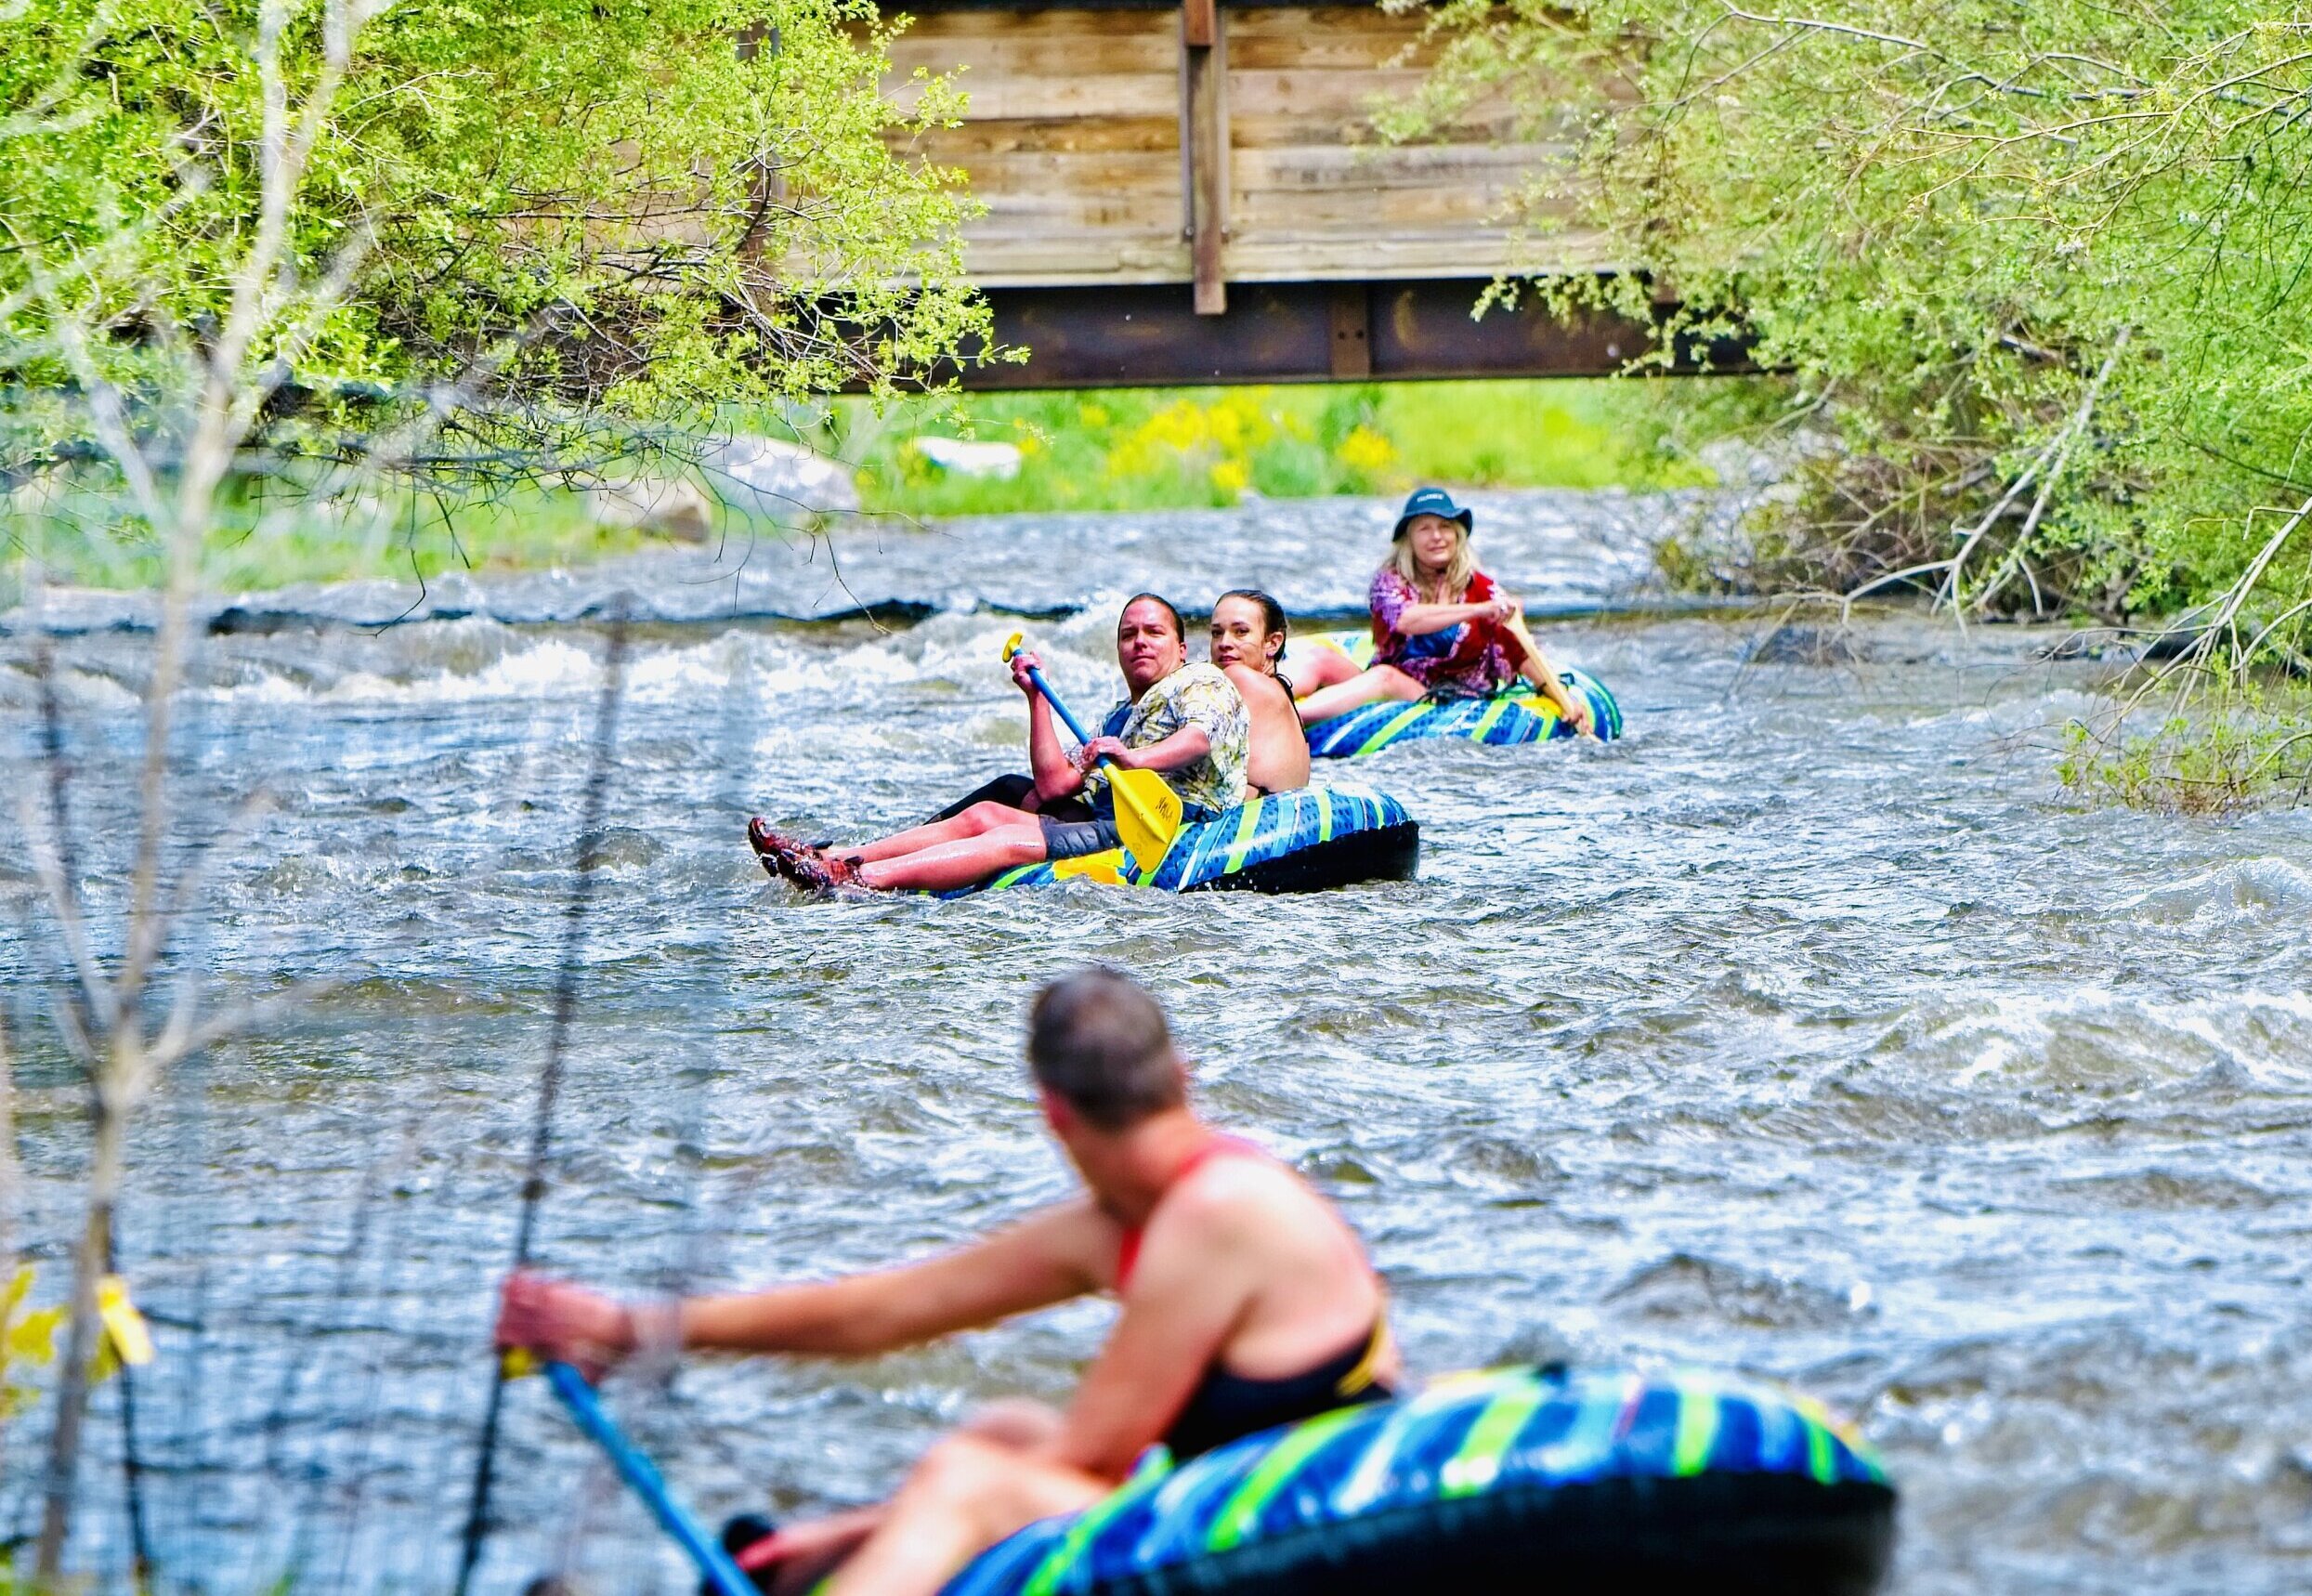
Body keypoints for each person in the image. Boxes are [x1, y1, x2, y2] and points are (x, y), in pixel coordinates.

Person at [494, 969, 1399, 1596]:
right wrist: (624, 1325)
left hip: (1323, 1516)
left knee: (969, 1479)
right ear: (1180, 1075)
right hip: (1231, 1485)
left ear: (1052, 1110)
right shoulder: (1125, 1218)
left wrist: (861, 1525)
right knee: (1000, 1427)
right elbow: (880, 1310)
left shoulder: (1214, 1214)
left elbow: (1087, 1458)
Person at [749, 595, 1249, 894]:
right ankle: (840, 858)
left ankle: (858, 884)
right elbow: (1056, 784)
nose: (1139, 641)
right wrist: (1037, 700)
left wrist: (1134, 757)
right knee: (983, 815)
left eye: (1153, 633)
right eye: (1128, 634)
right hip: (1108, 817)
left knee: (1004, 840)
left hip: (1168, 823)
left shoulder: (1201, 681)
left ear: (1181, 648)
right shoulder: (1121, 714)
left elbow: (1197, 738)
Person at [1288, 486, 1597, 737]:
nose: (1436, 536)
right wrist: (1478, 611)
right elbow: (1407, 620)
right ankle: (1262, 704)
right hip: (1400, 678)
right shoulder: (1390, 580)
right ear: (1409, 538)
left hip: (1449, 696)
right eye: (1425, 528)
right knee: (1321, 658)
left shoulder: (1483, 588)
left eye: (1445, 527)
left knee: (1385, 677)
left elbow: (1520, 652)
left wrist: (1563, 697)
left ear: (1457, 535)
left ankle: (1295, 717)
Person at [1207, 588, 1310, 797]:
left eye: (1241, 631)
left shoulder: (1239, 677)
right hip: (1281, 813)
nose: (1224, 643)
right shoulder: (1279, 690)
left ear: (1273, 643)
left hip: (1250, 818)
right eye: (1217, 633)